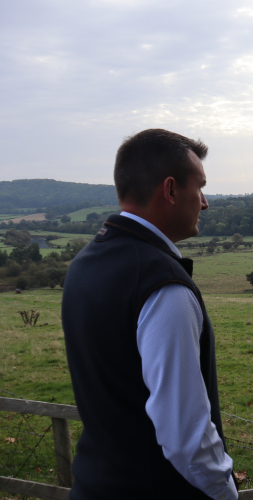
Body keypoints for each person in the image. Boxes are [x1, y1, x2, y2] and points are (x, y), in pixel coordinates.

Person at [62, 129, 237, 500]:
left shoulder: (85, 263)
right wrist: (226, 492)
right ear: (171, 190)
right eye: (200, 187)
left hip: (92, 486)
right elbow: (185, 436)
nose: (204, 203)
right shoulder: (164, 287)